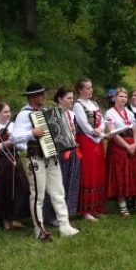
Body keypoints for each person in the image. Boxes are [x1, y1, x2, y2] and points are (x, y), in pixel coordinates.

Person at [13, 83, 80, 240]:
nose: (43, 97)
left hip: (51, 156)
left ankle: (65, 225)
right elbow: (15, 137)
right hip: (35, 157)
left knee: (58, 191)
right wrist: (31, 133)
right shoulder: (24, 115)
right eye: (40, 94)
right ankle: (39, 229)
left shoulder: (45, 112)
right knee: (38, 195)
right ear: (32, 97)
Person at [0, 98, 31, 230]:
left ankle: (15, 218)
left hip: (14, 159)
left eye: (9, 112)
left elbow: (21, 146)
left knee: (19, 188)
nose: (8, 114)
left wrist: (19, 144)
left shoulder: (14, 126)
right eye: (4, 112)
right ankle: (4, 219)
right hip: (0, 162)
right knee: (3, 190)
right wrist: (7, 143)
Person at [43, 86, 81, 226]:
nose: (72, 100)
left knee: (71, 181)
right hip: (58, 153)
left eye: (72, 98)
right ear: (60, 99)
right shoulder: (52, 114)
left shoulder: (72, 114)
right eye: (69, 98)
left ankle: (66, 213)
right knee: (57, 184)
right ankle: (51, 215)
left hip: (72, 152)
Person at [73, 77, 108, 220]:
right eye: (87, 88)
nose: (91, 90)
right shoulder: (78, 105)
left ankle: (96, 206)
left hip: (97, 140)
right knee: (88, 171)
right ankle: (86, 209)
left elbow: (102, 119)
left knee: (98, 171)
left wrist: (100, 128)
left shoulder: (93, 103)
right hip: (86, 141)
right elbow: (82, 123)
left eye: (91, 87)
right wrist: (93, 131)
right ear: (80, 90)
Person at [104, 88, 136, 217]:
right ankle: (122, 205)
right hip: (119, 146)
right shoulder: (110, 113)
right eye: (120, 96)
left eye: (125, 97)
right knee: (120, 174)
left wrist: (135, 144)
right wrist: (127, 146)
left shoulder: (129, 113)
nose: (123, 99)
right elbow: (113, 133)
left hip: (132, 145)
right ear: (114, 97)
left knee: (134, 173)